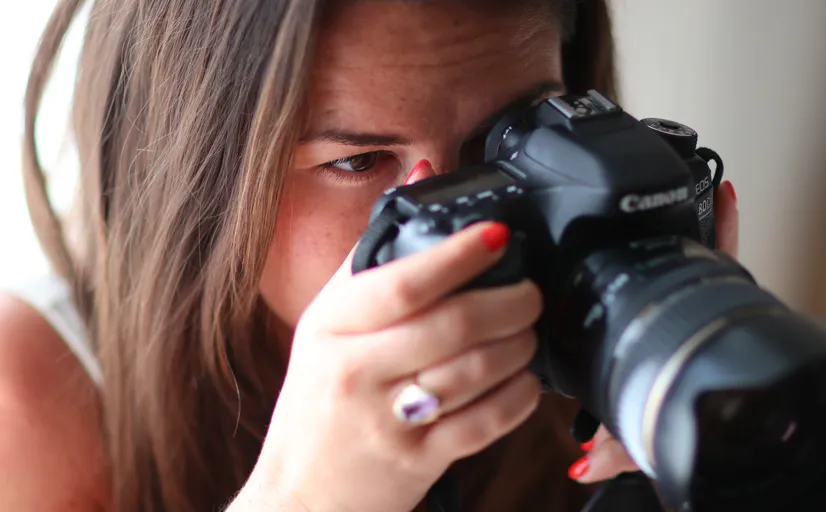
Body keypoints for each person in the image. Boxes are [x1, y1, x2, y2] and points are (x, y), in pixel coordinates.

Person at [1, 0, 739, 510]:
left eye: (504, 142)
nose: (450, 222)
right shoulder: (28, 395)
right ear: (195, 172)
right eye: (359, 162)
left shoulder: (578, 306)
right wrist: (301, 501)